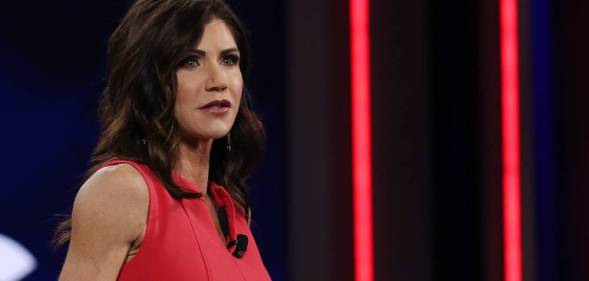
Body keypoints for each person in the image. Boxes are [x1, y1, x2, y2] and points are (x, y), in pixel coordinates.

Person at [55, 0, 271, 280]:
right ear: (148, 81)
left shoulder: (232, 211)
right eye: (189, 61)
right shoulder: (122, 190)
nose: (218, 81)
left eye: (229, 60)